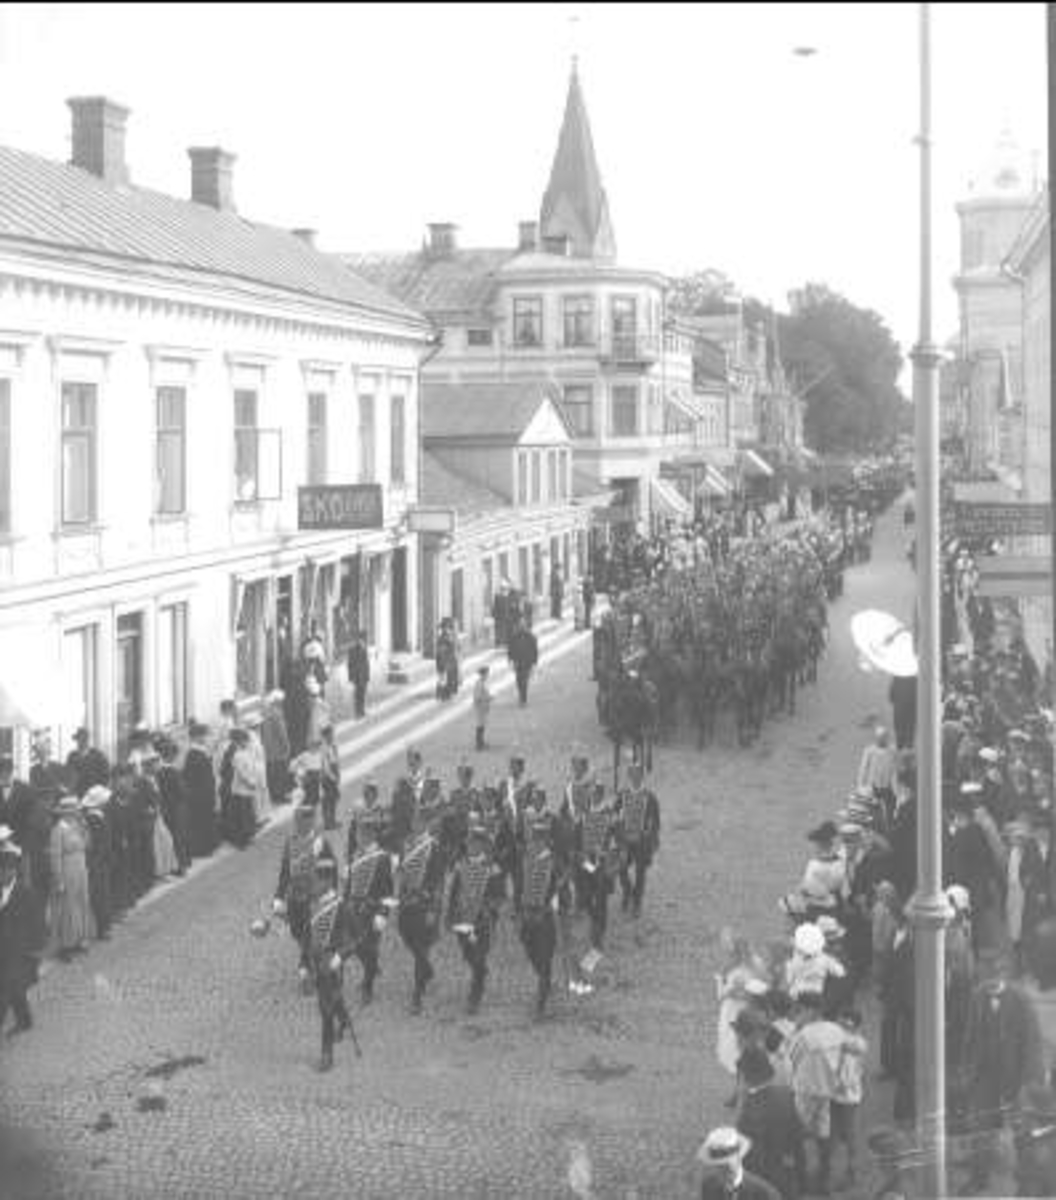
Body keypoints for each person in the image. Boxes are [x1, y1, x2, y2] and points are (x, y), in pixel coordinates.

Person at [273, 799, 336, 985]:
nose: (299, 824)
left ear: (311, 821)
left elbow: (331, 871)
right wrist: (278, 897)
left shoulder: (321, 843)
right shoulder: (290, 841)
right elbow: (285, 871)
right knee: (297, 932)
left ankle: (308, 967)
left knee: (311, 934)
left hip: (314, 897)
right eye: (298, 820)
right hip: (294, 898)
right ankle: (308, 958)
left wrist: (331, 895)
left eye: (304, 820)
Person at [446, 817, 505, 1014]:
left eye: (477, 843)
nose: (472, 846)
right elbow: (454, 893)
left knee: (479, 957)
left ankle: (475, 995)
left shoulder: (492, 868)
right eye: (470, 842)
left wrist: (489, 909)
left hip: (482, 922)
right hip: (463, 920)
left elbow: (499, 896)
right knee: (467, 953)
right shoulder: (460, 866)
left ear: (483, 845)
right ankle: (479, 971)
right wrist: (449, 916)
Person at [395, 798, 447, 1015]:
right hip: (406, 903)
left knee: (421, 945)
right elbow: (402, 874)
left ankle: (417, 994)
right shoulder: (407, 845)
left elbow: (439, 881)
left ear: (425, 823)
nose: (414, 823)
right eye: (414, 820)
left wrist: (433, 909)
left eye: (418, 820)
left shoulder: (433, 847)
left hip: (424, 905)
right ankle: (427, 968)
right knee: (407, 937)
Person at [735, 1046, 806, 1200]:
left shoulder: (750, 1110)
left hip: (762, 1181)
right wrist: (801, 1175)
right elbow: (798, 1137)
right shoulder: (785, 1094)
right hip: (786, 1174)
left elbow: (748, 1155)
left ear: (747, 1077)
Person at [306, 857, 355, 1073]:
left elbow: (353, 938)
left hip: (333, 963)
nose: (312, 884)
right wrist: (305, 963)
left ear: (326, 881)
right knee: (332, 999)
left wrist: (339, 957)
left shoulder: (341, 906)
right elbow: (309, 937)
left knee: (325, 1008)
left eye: (315, 880)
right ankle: (343, 1019)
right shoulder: (313, 904)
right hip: (316, 962)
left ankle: (327, 1054)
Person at [342, 806, 393, 1005]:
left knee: (369, 950)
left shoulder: (382, 858)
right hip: (352, 911)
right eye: (358, 832)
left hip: (371, 912)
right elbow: (348, 886)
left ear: (372, 834)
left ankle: (368, 986)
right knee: (353, 947)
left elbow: (388, 891)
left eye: (364, 833)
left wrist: (383, 913)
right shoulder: (354, 855)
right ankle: (369, 970)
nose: (360, 836)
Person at [518, 804, 559, 1018]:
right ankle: (545, 981)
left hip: (544, 917)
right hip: (527, 915)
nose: (536, 841)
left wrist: (553, 908)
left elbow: (560, 890)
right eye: (534, 837)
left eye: (540, 838)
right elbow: (521, 886)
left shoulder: (553, 861)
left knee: (544, 958)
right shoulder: (527, 859)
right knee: (529, 949)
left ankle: (540, 1004)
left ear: (546, 840)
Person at [0, 840, 42, 1036]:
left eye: (4, 871)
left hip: (19, 949)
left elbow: (36, 922)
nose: (1, 875)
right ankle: (25, 1020)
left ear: (13, 871)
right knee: (15, 987)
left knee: (5, 989)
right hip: (3, 948)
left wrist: (35, 948)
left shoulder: (25, 892)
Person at [47, 793, 95, 958]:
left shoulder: (77, 826)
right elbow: (55, 856)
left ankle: (80, 939)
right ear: (66, 812)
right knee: (67, 906)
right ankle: (66, 945)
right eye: (74, 810)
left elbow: (87, 845)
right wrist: (59, 879)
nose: (77, 813)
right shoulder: (58, 829)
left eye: (77, 810)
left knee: (82, 902)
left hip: (81, 866)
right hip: (67, 868)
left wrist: (85, 828)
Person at [615, 759, 660, 917]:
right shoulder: (622, 794)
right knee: (620, 868)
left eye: (637, 774)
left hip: (641, 841)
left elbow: (655, 822)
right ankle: (628, 891)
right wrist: (618, 834)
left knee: (640, 873)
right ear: (629, 776)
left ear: (642, 776)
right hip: (625, 840)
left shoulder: (650, 797)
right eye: (632, 774)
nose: (635, 777)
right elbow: (614, 815)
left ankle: (637, 902)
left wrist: (652, 840)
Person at [697, 1126, 780, 1200]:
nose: (723, 1170)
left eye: (727, 1164)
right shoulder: (709, 1187)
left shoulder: (765, 1194)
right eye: (718, 1166)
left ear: (738, 1157)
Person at [81, 785, 114, 940]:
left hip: (101, 860)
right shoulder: (93, 818)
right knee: (99, 894)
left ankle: (103, 925)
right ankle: (102, 928)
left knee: (103, 893)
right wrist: (98, 859)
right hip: (97, 861)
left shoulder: (98, 816)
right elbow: (95, 842)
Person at [155, 737, 192, 875]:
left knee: (171, 837)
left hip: (166, 808)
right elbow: (182, 791)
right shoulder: (174, 773)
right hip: (177, 808)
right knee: (179, 836)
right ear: (171, 756)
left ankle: (173, 864)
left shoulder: (159, 773)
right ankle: (181, 865)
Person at [182, 722, 218, 859]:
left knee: (205, 819)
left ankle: (207, 846)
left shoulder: (200, 752)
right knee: (201, 821)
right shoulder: (194, 754)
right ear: (196, 737)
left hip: (204, 792)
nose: (205, 738)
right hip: (200, 794)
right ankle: (202, 848)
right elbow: (195, 777)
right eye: (203, 735)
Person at [261, 691, 291, 807]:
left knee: (272, 773)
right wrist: (286, 745)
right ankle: (280, 795)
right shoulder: (277, 714)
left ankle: (274, 794)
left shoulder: (266, 713)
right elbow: (282, 732)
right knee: (280, 772)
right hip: (278, 748)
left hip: (268, 748)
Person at [64, 728, 110, 799]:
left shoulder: (98, 756)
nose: (80, 742)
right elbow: (67, 774)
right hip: (76, 794)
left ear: (87, 740)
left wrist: (99, 790)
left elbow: (105, 775)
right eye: (78, 739)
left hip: (93, 795)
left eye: (83, 739)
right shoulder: (72, 756)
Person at [507, 618, 539, 707]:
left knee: (524, 681)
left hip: (527, 662)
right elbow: (510, 649)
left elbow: (535, 651)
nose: (522, 627)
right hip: (517, 662)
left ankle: (523, 699)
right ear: (518, 626)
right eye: (520, 625)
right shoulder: (514, 637)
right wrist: (510, 660)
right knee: (518, 681)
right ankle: (521, 696)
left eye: (523, 625)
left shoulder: (531, 637)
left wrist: (534, 663)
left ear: (525, 626)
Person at [318, 724, 340, 833]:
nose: (332, 736)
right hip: (327, 777)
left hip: (332, 775)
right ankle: (328, 822)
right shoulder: (324, 748)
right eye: (330, 734)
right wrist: (333, 777)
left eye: (332, 734)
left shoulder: (332, 746)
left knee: (333, 798)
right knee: (329, 800)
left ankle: (332, 820)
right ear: (325, 735)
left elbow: (335, 761)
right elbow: (325, 765)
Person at [346, 630, 371, 720]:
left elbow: (366, 664)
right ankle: (357, 712)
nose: (362, 641)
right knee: (357, 694)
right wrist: (351, 677)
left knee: (362, 694)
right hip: (357, 676)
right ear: (359, 639)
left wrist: (367, 676)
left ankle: (362, 711)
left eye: (363, 640)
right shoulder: (352, 649)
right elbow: (350, 664)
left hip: (363, 675)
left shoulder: (364, 648)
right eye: (361, 639)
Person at [888, 674, 917, 751]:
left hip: (899, 708)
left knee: (899, 729)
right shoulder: (914, 678)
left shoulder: (897, 676)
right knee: (910, 730)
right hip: (911, 707)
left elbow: (891, 697)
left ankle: (900, 748)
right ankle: (909, 748)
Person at [472, 666, 492, 752]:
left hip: (483, 707)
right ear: (483, 674)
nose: (488, 675)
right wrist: (487, 698)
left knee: (482, 726)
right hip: (480, 708)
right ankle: (479, 744)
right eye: (487, 674)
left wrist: (489, 697)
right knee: (480, 726)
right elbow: (477, 697)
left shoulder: (482, 683)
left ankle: (481, 742)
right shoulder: (479, 683)